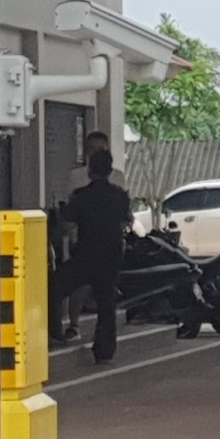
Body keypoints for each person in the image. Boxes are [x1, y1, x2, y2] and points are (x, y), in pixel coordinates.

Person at [50, 150, 132, 364]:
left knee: (55, 287)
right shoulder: (120, 195)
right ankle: (104, 351)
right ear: (110, 170)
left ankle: (53, 333)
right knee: (107, 305)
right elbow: (126, 222)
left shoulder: (82, 196)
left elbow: (65, 226)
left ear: (89, 170)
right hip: (111, 258)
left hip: (86, 256)